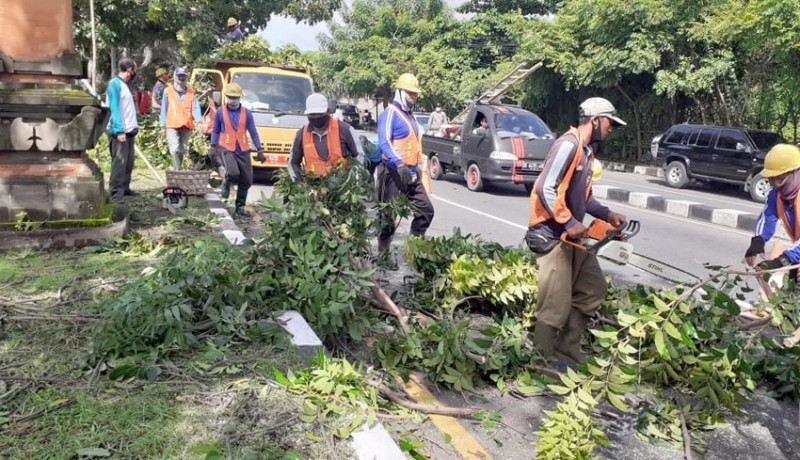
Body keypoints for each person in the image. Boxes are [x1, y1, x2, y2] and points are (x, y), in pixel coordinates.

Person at [525, 97, 627, 364]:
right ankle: (539, 360)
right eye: (609, 123)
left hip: (573, 236)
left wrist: (607, 215)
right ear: (595, 120)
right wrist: (569, 223)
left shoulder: (587, 152)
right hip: (551, 234)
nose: (611, 129)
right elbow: (544, 187)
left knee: (593, 289)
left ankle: (566, 345)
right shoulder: (567, 145)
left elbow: (585, 197)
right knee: (555, 304)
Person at [376, 73, 435, 257]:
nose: (413, 97)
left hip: (411, 173)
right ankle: (382, 254)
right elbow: (384, 142)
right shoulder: (390, 114)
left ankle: (413, 251)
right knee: (388, 220)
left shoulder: (412, 117)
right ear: (400, 92)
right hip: (393, 174)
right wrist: (399, 164)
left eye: (415, 94)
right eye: (410, 93)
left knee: (426, 211)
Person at [744, 144, 800, 276]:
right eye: (771, 178)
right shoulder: (776, 193)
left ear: (795, 172)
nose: (775, 183)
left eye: (779, 178)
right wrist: (758, 240)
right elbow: (767, 217)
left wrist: (783, 260)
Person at [210, 83, 265, 217]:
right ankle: (227, 182)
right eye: (230, 97)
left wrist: (260, 149)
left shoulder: (247, 113)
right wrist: (212, 146)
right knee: (233, 173)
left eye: (235, 97)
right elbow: (216, 130)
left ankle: (239, 207)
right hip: (228, 148)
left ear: (240, 97)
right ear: (226, 97)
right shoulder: (220, 112)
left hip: (243, 149)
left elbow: (253, 132)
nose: (233, 100)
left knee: (247, 180)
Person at [288, 93, 361, 181]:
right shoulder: (301, 134)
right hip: (312, 187)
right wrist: (298, 183)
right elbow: (293, 163)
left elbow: (360, 156)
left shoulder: (345, 130)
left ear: (328, 111)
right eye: (312, 114)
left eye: (320, 114)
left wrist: (351, 179)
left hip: (341, 187)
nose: (316, 117)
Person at [106, 58, 139, 201]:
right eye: (134, 70)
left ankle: (125, 187)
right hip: (120, 131)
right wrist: (119, 130)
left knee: (128, 162)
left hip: (129, 130)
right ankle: (115, 191)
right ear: (130, 69)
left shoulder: (125, 85)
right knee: (119, 162)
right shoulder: (115, 84)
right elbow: (113, 108)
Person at [160, 67, 202, 170]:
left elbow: (195, 107)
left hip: (186, 124)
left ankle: (178, 169)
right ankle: (177, 171)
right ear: (175, 77)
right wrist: (162, 126)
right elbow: (163, 108)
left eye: (183, 76)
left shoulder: (191, 92)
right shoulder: (167, 91)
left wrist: (199, 121)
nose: (181, 78)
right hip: (171, 124)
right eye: (179, 76)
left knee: (183, 149)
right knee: (174, 148)